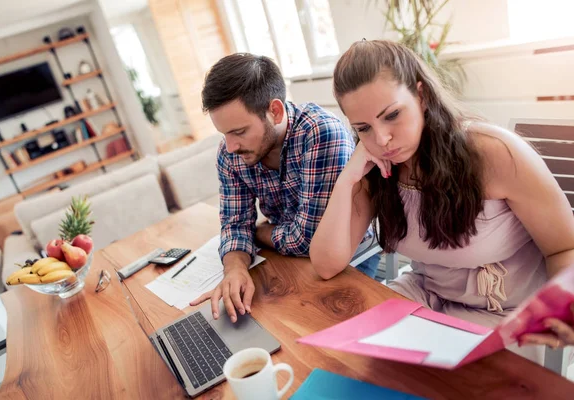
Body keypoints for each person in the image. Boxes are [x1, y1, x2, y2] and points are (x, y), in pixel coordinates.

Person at [310, 40, 574, 361]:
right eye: (363, 128)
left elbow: (564, 247)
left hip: (504, 313)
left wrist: (562, 305)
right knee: (352, 366)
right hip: (427, 295)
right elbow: (325, 265)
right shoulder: (374, 168)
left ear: (421, 96)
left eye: (392, 115)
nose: (381, 139)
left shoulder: (492, 153)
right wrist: (348, 177)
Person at [190, 53, 381, 322]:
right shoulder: (230, 152)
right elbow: (235, 225)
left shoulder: (321, 133)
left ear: (275, 111)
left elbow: (307, 241)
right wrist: (234, 268)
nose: (230, 146)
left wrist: (256, 232)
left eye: (239, 131)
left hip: (350, 258)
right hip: (285, 257)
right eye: (224, 134)